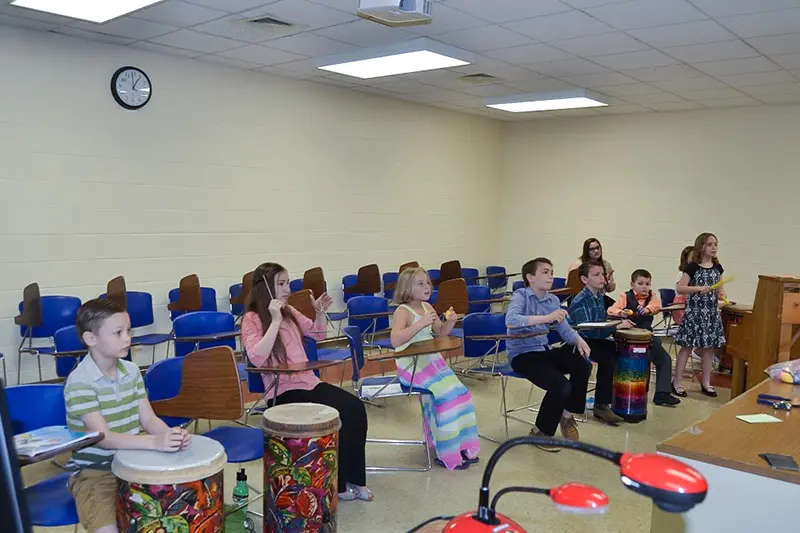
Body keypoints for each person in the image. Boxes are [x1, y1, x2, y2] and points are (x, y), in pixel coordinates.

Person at [241, 262, 373, 501]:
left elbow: (318, 334)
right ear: (265, 288)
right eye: (281, 283)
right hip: (281, 391)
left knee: (354, 408)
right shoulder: (251, 319)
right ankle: (339, 484)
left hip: (308, 382)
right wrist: (274, 321)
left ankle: (353, 477)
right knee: (336, 413)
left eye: (287, 282)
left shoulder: (290, 311)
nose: (287, 289)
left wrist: (320, 312)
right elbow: (257, 357)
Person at [65, 298, 191, 533]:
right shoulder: (80, 382)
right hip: (95, 474)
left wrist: (170, 435)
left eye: (128, 330)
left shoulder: (131, 371)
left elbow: (148, 419)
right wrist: (155, 442)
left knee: (175, 516)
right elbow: (103, 438)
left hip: (134, 465)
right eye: (118, 332)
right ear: (90, 339)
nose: (127, 338)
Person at [390, 267, 480, 469]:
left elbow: (440, 333)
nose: (427, 287)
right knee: (446, 397)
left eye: (428, 282)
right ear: (406, 288)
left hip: (431, 360)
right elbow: (395, 340)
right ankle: (446, 451)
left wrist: (449, 322)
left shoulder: (428, 307)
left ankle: (461, 444)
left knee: (462, 393)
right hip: (412, 364)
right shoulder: (402, 311)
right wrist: (420, 324)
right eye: (420, 283)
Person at [505, 257, 592, 452]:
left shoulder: (552, 300)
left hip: (543, 351)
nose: (550, 276)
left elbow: (564, 329)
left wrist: (578, 340)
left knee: (583, 364)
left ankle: (567, 416)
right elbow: (511, 321)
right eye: (545, 272)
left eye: (551, 272)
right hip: (522, 355)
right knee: (561, 385)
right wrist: (548, 318)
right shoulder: (521, 295)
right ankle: (540, 432)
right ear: (530, 277)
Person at [567, 260, 636, 425]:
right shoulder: (581, 300)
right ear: (585, 280)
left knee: (614, 350)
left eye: (602, 274)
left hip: (592, 339)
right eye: (596, 275)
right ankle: (601, 405)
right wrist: (617, 326)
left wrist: (618, 319)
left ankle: (605, 402)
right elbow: (588, 330)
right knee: (608, 355)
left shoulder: (598, 296)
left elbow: (600, 322)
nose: (602, 278)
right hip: (578, 342)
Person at [607, 269, 681, 406]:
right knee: (634, 365)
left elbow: (656, 306)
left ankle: (662, 394)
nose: (644, 286)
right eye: (640, 283)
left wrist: (647, 310)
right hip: (627, 340)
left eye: (647, 283)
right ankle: (622, 394)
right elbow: (610, 310)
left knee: (664, 359)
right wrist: (621, 312)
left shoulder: (652, 296)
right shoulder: (625, 296)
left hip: (647, 337)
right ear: (632, 284)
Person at [672, 233, 727, 398]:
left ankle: (706, 383)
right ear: (701, 246)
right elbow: (681, 288)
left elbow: (720, 290)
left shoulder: (718, 268)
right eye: (710, 244)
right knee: (687, 347)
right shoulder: (692, 267)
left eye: (715, 244)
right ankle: (676, 382)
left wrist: (722, 295)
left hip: (710, 314)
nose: (714, 247)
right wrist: (698, 288)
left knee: (709, 350)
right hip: (694, 313)